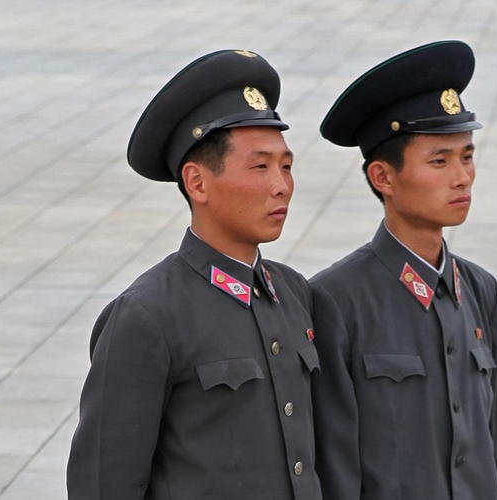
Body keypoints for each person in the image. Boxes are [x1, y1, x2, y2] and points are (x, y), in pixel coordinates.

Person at [66, 49, 322, 500]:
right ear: (198, 182)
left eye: (286, 165)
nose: (282, 185)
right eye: (260, 166)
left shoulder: (293, 291)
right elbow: (103, 484)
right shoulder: (147, 316)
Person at [310, 40, 497, 500]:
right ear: (383, 177)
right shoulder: (334, 301)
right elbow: (333, 466)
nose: (462, 176)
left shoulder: (480, 290)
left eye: (467, 156)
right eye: (439, 160)